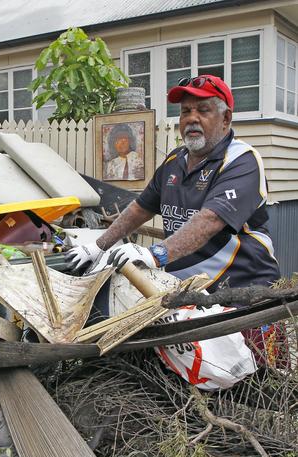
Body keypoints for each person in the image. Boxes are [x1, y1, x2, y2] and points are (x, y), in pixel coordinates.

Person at [67, 74, 280, 293]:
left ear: (225, 119)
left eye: (203, 110)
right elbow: (141, 208)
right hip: (189, 291)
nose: (192, 118)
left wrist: (156, 254)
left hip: (245, 291)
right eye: (185, 111)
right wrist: (98, 246)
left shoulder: (242, 160)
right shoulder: (174, 160)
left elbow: (210, 220)